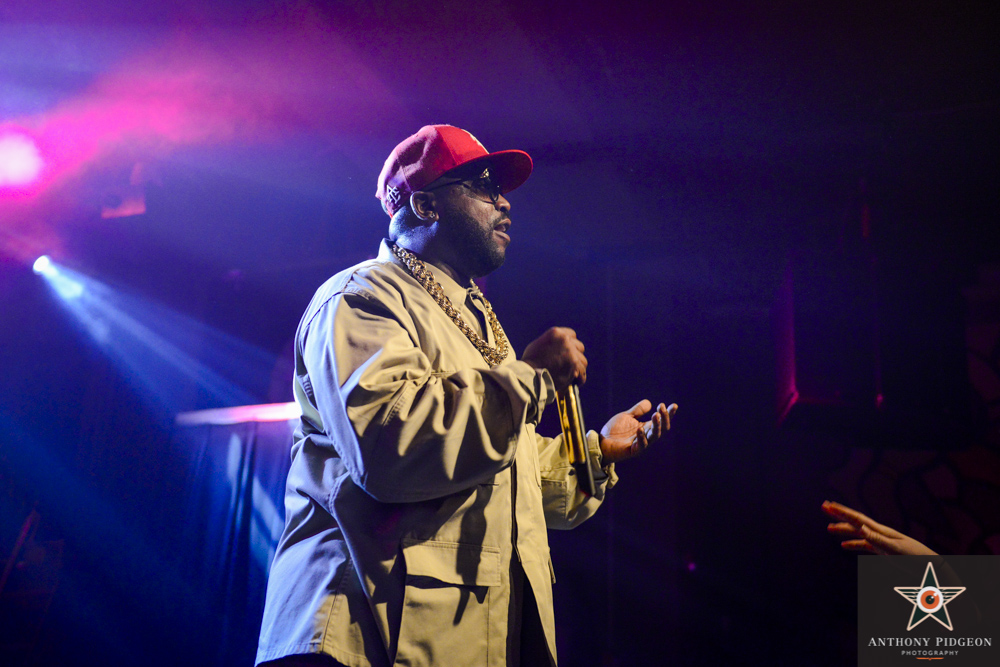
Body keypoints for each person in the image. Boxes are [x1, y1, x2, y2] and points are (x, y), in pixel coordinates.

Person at [255, 125, 675, 667]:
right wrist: (530, 377)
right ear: (426, 205)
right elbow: (393, 448)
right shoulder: (359, 298)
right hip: (358, 638)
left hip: (450, 640)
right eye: (482, 186)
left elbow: (498, 471)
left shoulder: (469, 315)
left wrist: (594, 453)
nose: (504, 202)